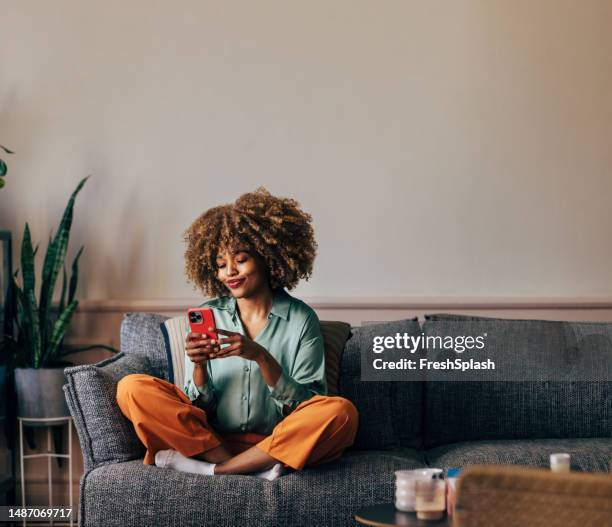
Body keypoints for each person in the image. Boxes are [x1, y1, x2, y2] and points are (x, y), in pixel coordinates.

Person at [116, 187, 359, 479]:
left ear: (267, 257)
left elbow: (308, 405)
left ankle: (219, 471)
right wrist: (199, 366)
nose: (229, 272)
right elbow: (196, 408)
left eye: (240, 259)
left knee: (341, 413)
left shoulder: (300, 319)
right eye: (220, 264)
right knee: (131, 387)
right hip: (212, 441)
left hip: (276, 443)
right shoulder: (210, 315)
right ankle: (243, 468)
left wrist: (260, 356)